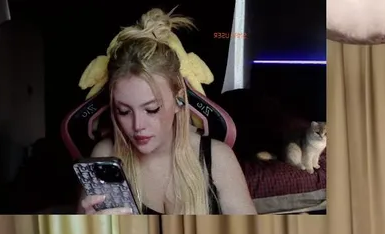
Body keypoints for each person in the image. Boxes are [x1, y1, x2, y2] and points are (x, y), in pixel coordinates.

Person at [77, 9, 255, 215]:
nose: (137, 126)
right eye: (123, 111)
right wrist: (89, 228)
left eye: (151, 109)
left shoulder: (218, 159)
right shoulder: (105, 155)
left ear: (179, 100)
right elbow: (84, 233)